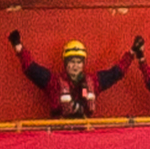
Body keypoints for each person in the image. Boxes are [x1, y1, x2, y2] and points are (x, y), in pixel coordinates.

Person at [10, 29, 139, 119]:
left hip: (84, 135)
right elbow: (31, 69)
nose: (75, 66)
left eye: (78, 62)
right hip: (60, 135)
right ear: (66, 64)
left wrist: (131, 53)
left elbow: (116, 73)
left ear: (83, 64)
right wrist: (19, 47)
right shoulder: (53, 82)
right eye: (72, 62)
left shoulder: (93, 82)